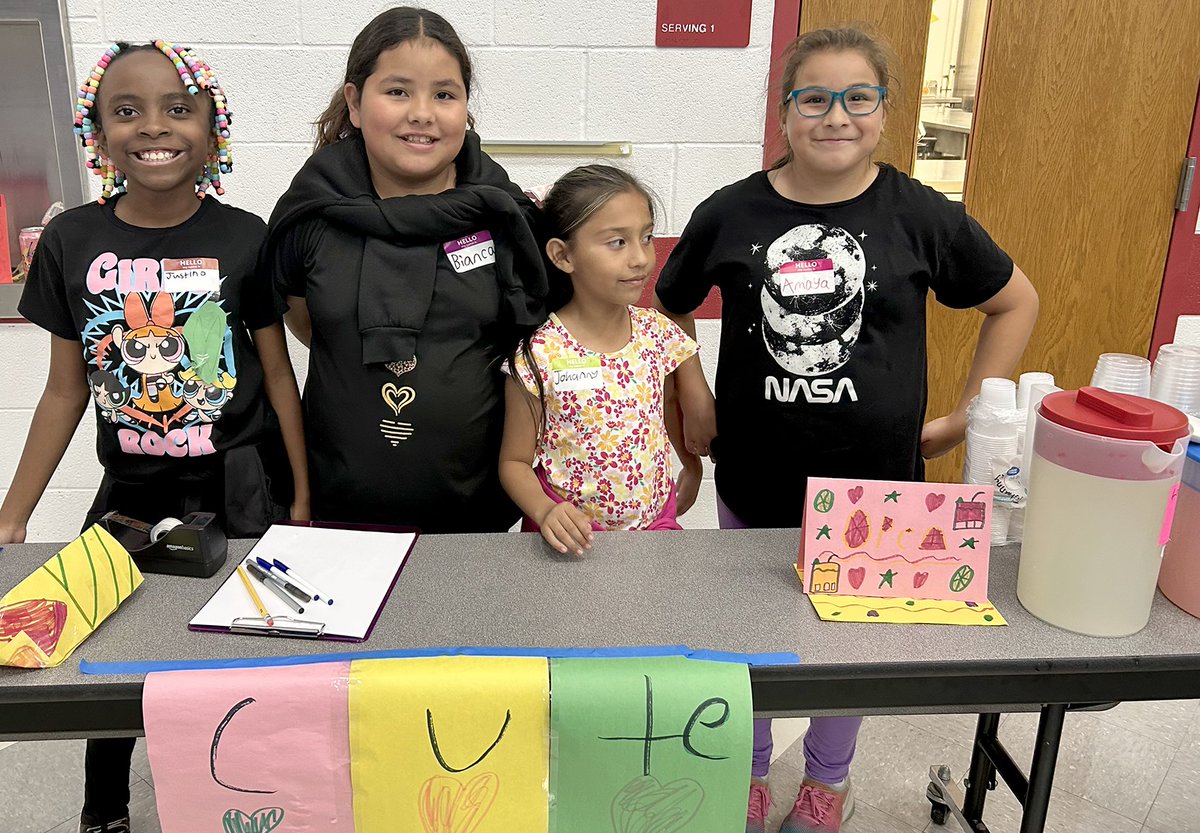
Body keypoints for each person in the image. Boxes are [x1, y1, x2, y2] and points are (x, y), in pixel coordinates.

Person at [653, 26, 1039, 833]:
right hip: (755, 477)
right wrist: (692, 390)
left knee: (848, 645)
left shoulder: (918, 214)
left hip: (878, 489)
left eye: (858, 97)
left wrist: (968, 414)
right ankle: (749, 768)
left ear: (884, 111)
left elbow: (1015, 301)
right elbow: (668, 304)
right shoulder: (730, 212)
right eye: (815, 99)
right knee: (752, 637)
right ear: (784, 113)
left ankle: (827, 781)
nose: (837, 116)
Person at [0, 40, 308, 833]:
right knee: (109, 650)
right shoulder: (70, 241)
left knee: (247, 652)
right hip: (131, 490)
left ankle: (248, 797)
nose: (154, 126)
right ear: (97, 132)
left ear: (212, 130)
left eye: (178, 108)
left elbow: (279, 375)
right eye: (127, 110)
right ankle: (105, 807)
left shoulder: (246, 236)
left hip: (241, 484)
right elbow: (64, 390)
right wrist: (13, 513)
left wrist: (302, 498)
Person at [264, 6, 548, 531]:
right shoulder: (309, 216)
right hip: (339, 511)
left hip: (476, 519)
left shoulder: (505, 216)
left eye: (444, 95)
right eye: (397, 91)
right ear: (354, 102)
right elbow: (306, 324)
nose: (422, 113)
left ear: (465, 107)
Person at [499, 166, 712, 552]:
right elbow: (513, 463)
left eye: (646, 237)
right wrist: (546, 511)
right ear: (563, 255)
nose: (640, 258)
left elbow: (666, 406)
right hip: (572, 539)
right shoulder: (539, 354)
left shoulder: (658, 333)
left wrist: (691, 465)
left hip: (653, 528)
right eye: (617, 242)